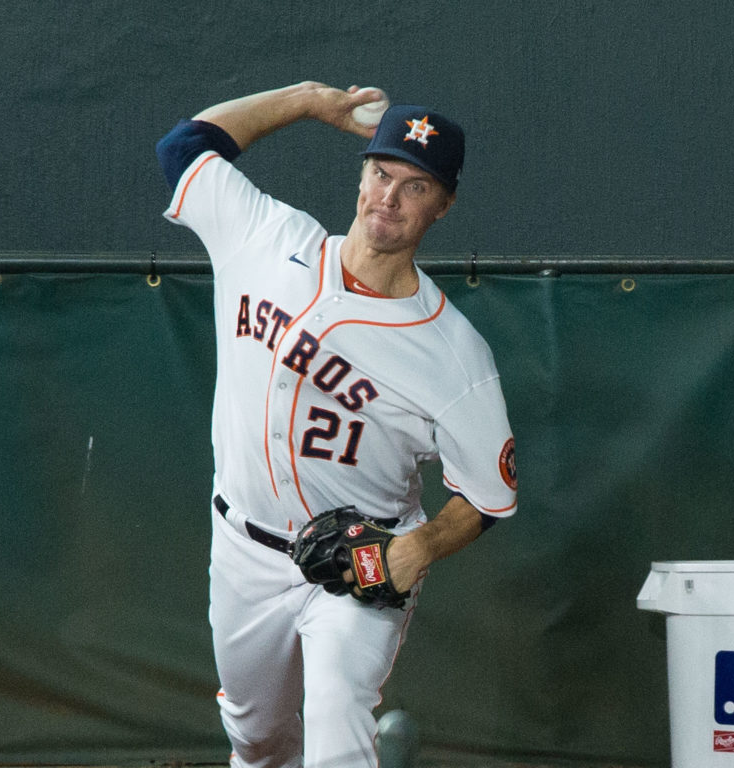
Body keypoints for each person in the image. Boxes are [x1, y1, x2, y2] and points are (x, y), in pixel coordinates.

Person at [155, 81, 517, 767]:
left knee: (335, 732)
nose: (389, 197)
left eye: (415, 187)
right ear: (360, 175)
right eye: (381, 173)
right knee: (257, 741)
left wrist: (422, 548)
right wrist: (305, 102)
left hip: (362, 564)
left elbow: (489, 496)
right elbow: (184, 147)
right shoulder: (265, 237)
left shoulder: (454, 354)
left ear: (443, 206)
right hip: (243, 549)